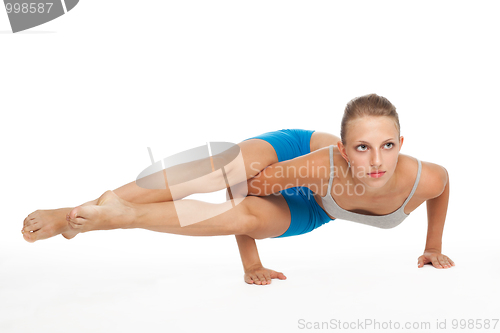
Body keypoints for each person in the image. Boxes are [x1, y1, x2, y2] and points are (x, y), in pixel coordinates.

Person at [21, 93, 454, 285]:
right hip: (290, 160)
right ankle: (76, 213)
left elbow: (443, 189)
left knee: (252, 219)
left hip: (320, 207)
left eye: (387, 146)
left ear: (402, 145)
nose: (376, 160)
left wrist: (432, 245)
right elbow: (250, 187)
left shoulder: (426, 177)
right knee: (221, 174)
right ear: (343, 149)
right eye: (362, 147)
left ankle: (121, 216)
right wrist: (251, 257)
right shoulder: (325, 162)